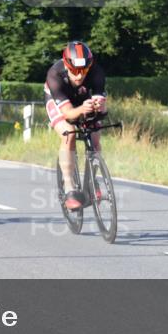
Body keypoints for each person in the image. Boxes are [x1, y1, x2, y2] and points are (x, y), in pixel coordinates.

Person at [44, 41, 107, 210]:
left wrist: (100, 105)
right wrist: (81, 110)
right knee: (69, 132)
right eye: (75, 71)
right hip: (59, 101)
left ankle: (93, 181)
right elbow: (68, 113)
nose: (79, 76)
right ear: (66, 65)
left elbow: (102, 107)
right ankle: (69, 187)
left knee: (95, 135)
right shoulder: (54, 75)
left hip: (81, 99)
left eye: (84, 71)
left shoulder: (97, 72)